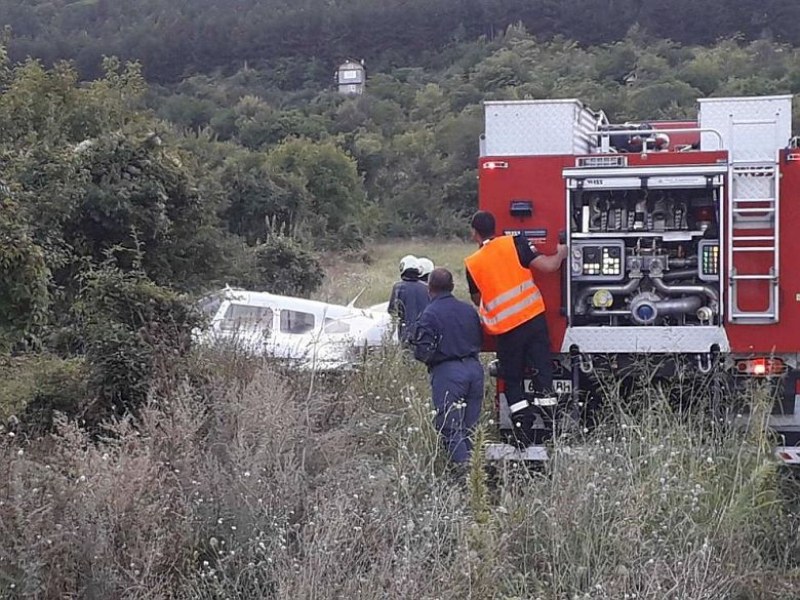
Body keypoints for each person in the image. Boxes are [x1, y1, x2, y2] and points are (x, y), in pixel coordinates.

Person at [464, 210, 567, 446]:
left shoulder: (473, 264)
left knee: (512, 379)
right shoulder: (515, 242)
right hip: (533, 320)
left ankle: (523, 425)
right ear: (496, 227)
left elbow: (477, 299)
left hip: (507, 329)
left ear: (474, 233)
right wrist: (561, 253)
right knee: (543, 373)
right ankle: (551, 426)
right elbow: (549, 267)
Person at [412, 268, 484, 466]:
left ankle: (466, 474)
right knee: (470, 428)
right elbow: (481, 338)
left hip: (448, 372)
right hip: (474, 369)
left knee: (450, 428)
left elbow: (422, 351)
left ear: (429, 288)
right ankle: (478, 472)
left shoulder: (429, 314)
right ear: (452, 286)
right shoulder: (468, 310)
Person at [388, 255, 429, 344]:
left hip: (405, 333)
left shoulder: (398, 287)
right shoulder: (427, 288)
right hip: (424, 333)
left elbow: (392, 310)